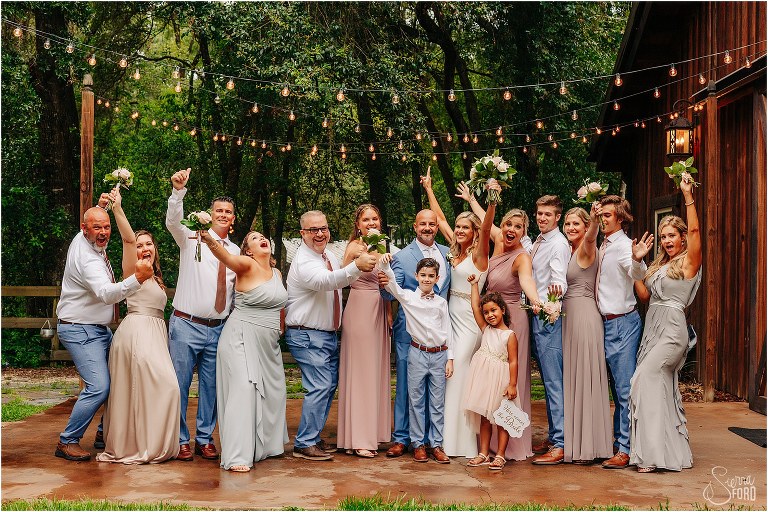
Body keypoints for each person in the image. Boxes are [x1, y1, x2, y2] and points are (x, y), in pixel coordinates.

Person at [55, 197, 154, 461]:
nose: (103, 233)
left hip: (97, 329)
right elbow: (106, 294)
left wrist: (105, 205)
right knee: (99, 386)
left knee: (120, 379)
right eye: (96, 228)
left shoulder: (82, 236)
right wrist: (138, 278)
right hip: (80, 330)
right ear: (84, 228)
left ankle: (104, 430)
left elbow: (97, 218)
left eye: (106, 227)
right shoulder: (88, 260)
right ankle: (67, 441)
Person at [96, 188, 180, 464]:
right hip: (137, 334)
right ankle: (137, 445)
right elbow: (128, 239)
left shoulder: (156, 277)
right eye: (141, 245)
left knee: (151, 391)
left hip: (155, 335)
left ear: (156, 249)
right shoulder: (133, 270)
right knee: (166, 386)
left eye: (149, 244)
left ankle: (149, 443)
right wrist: (117, 209)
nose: (144, 248)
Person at [285, 210, 376, 461]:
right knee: (320, 386)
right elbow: (327, 282)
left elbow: (341, 279)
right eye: (313, 230)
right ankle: (304, 443)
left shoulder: (327, 256)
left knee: (327, 386)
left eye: (323, 228)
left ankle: (312, 438)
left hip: (324, 335)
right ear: (303, 234)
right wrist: (356, 266)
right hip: (307, 335)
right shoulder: (304, 261)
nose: (320, 234)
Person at [166, 167, 240, 462]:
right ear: (210, 214)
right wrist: (177, 192)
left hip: (219, 328)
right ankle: (181, 439)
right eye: (218, 210)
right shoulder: (191, 238)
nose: (223, 214)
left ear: (233, 218)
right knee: (180, 384)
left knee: (212, 386)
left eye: (228, 211)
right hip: (186, 324)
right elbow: (172, 221)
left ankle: (205, 438)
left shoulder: (235, 251)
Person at [421, 168, 496, 458]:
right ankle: (443, 439)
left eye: (466, 228)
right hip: (449, 317)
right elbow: (439, 220)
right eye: (459, 227)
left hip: (470, 319)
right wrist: (429, 188)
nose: (461, 231)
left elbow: (489, 229)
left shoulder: (479, 254)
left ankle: (460, 442)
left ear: (476, 232)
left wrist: (491, 201)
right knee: (448, 373)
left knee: (459, 374)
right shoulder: (457, 252)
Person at [199, 229, 288, 472]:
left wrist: (279, 329)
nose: (262, 239)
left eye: (263, 237)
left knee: (274, 392)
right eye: (255, 238)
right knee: (244, 390)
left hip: (268, 344)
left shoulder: (277, 273)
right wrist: (208, 238)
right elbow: (224, 256)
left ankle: (265, 447)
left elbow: (279, 306)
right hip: (240, 337)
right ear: (248, 250)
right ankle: (238, 455)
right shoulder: (245, 265)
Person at [629, 176, 701, 473]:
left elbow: (697, 229)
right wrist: (637, 265)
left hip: (672, 332)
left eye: (672, 235)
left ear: (683, 238)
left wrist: (688, 196)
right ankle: (668, 454)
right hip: (652, 330)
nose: (667, 241)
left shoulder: (689, 262)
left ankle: (651, 455)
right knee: (654, 386)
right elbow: (644, 295)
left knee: (643, 379)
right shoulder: (659, 266)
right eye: (664, 236)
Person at [379, 209, 451, 459]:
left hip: (439, 333)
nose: (428, 228)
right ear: (415, 226)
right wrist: (384, 281)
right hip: (410, 334)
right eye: (423, 224)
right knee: (406, 387)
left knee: (435, 393)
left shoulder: (446, 253)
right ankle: (402, 438)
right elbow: (390, 293)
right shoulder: (403, 256)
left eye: (432, 224)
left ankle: (433, 441)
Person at [594, 194, 648, 470]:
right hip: (604, 323)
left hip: (623, 323)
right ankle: (618, 441)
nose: (602, 219)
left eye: (607, 215)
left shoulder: (626, 246)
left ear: (620, 219)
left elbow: (638, 275)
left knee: (625, 388)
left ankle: (626, 449)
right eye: (601, 214)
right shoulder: (602, 245)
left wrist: (638, 261)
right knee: (615, 389)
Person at [483, 209, 540, 461]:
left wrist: (537, 301)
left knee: (510, 381)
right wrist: (479, 200)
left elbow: (527, 281)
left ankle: (512, 445)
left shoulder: (522, 258)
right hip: (492, 319)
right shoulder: (498, 242)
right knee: (491, 379)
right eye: (508, 224)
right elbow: (487, 224)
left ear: (524, 233)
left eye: (518, 227)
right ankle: (490, 443)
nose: (511, 230)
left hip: (513, 321)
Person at [337, 204, 392, 458]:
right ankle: (358, 438)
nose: (371, 223)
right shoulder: (354, 247)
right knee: (360, 373)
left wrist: (389, 313)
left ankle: (374, 433)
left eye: (375, 219)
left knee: (375, 373)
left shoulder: (384, 247)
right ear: (358, 225)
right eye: (366, 219)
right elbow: (341, 278)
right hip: (359, 309)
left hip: (379, 310)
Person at [560, 206, 612, 465]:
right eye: (567, 224)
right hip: (568, 317)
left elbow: (592, 236)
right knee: (573, 377)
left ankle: (589, 446)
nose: (570, 228)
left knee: (584, 376)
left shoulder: (587, 248)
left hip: (583, 316)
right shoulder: (566, 251)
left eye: (575, 224)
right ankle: (572, 440)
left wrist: (593, 221)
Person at [530, 195, 571, 465]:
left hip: (548, 318)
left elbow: (559, 282)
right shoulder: (539, 241)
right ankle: (555, 434)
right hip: (536, 316)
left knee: (554, 382)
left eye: (548, 214)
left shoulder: (558, 243)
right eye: (539, 213)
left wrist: (550, 306)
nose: (542, 218)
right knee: (547, 381)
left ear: (558, 217)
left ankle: (561, 444)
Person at [462, 276, 519, 471]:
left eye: (493, 310)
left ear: (502, 310)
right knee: (484, 418)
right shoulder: (485, 329)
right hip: (484, 380)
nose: (489, 315)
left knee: (502, 418)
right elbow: (474, 307)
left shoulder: (509, 335)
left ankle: (500, 455)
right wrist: (474, 285)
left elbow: (513, 361)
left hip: (501, 381)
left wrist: (512, 384)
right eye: (486, 312)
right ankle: (483, 453)